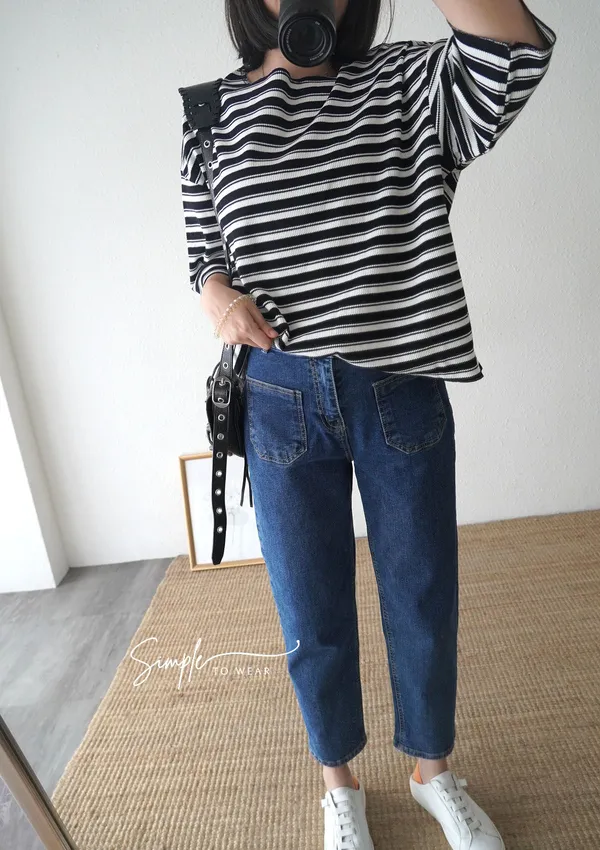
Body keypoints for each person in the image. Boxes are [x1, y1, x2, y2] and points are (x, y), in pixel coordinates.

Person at [180, 1, 557, 847]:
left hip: (398, 390)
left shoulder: (410, 82)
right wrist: (214, 295)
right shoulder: (209, 112)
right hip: (277, 395)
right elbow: (205, 250)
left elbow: (513, 49)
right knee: (308, 608)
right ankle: (338, 784)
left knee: (422, 595)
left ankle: (431, 771)